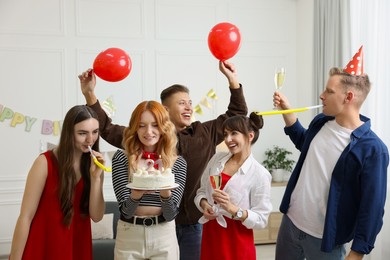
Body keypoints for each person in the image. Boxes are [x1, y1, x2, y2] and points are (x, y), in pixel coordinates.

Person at [78, 60, 248, 259]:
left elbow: (236, 115)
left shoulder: (205, 132)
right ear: (165, 111)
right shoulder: (144, 138)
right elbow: (106, 128)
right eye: (182, 102)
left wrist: (232, 80)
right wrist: (89, 94)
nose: (189, 107)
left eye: (190, 102)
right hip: (152, 225)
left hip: (192, 224)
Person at [273, 49, 389, 260]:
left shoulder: (373, 150)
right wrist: (286, 110)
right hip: (290, 223)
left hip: (325, 241)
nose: (322, 95)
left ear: (348, 97)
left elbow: (371, 207)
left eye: (328, 91)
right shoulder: (321, 122)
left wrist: (357, 253)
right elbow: (304, 142)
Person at [9, 105, 106, 260]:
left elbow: (96, 216)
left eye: (95, 132)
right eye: (82, 133)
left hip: (77, 246)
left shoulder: (95, 166)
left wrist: (95, 179)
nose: (90, 139)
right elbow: (25, 216)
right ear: (69, 133)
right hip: (44, 245)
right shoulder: (44, 163)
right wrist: (14, 258)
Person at [111, 100, 186, 259]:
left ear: (164, 127)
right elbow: (126, 211)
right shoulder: (122, 158)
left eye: (155, 125)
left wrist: (165, 194)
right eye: (142, 125)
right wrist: (136, 195)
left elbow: (171, 214)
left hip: (164, 235)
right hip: (129, 234)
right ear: (135, 128)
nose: (148, 131)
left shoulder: (177, 163)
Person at [194, 112, 272, 260]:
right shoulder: (217, 159)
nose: (228, 139)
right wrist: (204, 205)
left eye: (234, 133)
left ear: (250, 136)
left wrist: (233, 209)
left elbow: (262, 219)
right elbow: (202, 191)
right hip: (211, 234)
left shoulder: (260, 174)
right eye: (225, 134)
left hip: (237, 240)